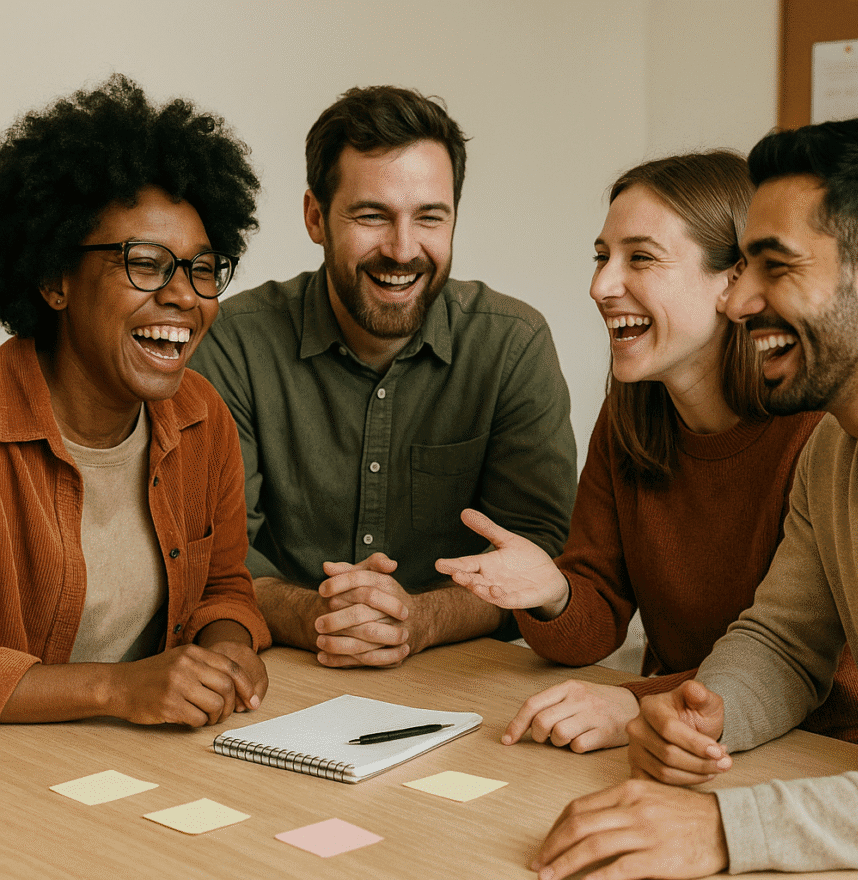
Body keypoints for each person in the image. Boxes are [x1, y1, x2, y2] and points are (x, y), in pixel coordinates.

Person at [531, 117, 858, 880]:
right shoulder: (835, 455)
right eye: (742, 266)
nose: (740, 300)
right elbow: (785, 643)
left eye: (775, 268)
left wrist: (726, 828)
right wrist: (706, 707)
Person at [437, 151, 858, 753]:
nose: (600, 286)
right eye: (601, 257)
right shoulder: (632, 418)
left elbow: (811, 670)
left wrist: (636, 703)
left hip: (819, 747)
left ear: (733, 280)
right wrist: (551, 594)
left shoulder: (819, 430)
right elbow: (604, 624)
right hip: (684, 733)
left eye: (640, 258)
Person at [189, 85, 577, 669]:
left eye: (429, 218)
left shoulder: (512, 345)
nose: (402, 249)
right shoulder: (234, 341)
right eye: (372, 216)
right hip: (284, 669)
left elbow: (540, 555)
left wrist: (421, 620)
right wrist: (318, 614)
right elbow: (213, 555)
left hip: (464, 682)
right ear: (316, 218)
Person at [0, 75, 271, 727]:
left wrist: (229, 647)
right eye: (146, 263)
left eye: (202, 269)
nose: (185, 296)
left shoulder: (202, 417)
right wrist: (114, 690)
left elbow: (223, 586)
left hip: (141, 773)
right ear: (54, 278)